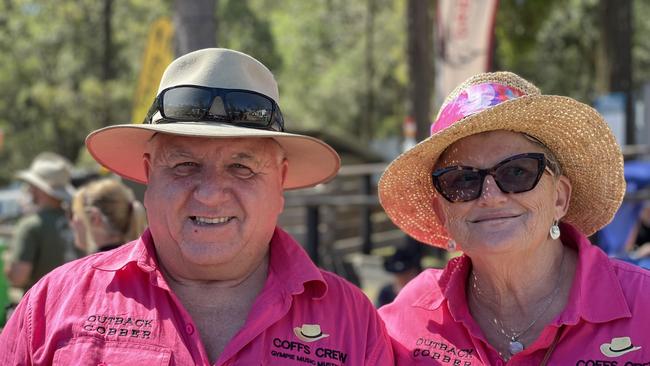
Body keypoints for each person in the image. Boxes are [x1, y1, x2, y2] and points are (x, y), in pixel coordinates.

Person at [0, 48, 393, 365]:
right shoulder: (52, 304)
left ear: (280, 181)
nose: (209, 193)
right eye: (185, 164)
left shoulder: (355, 323)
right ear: (149, 175)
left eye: (241, 167)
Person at [377, 71, 650, 364]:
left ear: (559, 198)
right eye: (462, 180)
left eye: (517, 172)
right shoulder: (406, 319)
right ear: (442, 213)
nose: (491, 195)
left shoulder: (643, 303)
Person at [4, 152, 78, 292]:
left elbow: (18, 277)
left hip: (40, 308)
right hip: (74, 304)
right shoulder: (77, 221)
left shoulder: (31, 225)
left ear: (38, 188)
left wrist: (9, 259)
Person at [69, 178, 147, 253]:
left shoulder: (91, 266)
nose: (72, 222)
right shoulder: (142, 259)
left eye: (75, 214)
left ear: (94, 218)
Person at [376, 238, 422, 307]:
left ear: (414, 272)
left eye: (406, 274)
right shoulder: (385, 293)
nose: (402, 278)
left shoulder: (422, 293)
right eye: (399, 275)